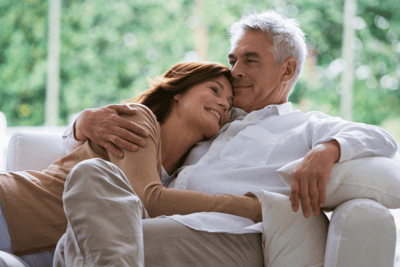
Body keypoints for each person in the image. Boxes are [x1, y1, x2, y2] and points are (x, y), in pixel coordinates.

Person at [65, 10, 398, 265]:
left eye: (251, 60)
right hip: (161, 220)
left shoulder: (305, 126)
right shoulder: (215, 123)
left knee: (85, 248)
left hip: (227, 234)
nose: (236, 71)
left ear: (287, 70)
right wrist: (82, 122)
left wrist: (327, 149)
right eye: (233, 59)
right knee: (90, 176)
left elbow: (381, 138)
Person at [0, 62, 264, 267]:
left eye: (229, 104)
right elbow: (149, 199)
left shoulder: (186, 172)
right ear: (179, 92)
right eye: (214, 90)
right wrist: (249, 207)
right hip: (12, 210)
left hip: (44, 251)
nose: (222, 104)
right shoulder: (138, 120)